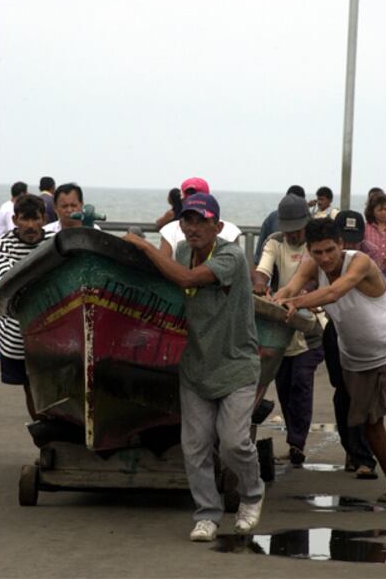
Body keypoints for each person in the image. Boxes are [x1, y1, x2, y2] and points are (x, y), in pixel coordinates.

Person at [124, 193, 264, 541]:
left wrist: (143, 246)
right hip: (196, 367)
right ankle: (207, 514)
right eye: (188, 220)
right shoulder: (183, 253)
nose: (194, 227)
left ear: (217, 226)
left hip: (236, 366)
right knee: (195, 447)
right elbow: (162, 277)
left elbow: (186, 281)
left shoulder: (230, 255)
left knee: (233, 443)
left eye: (202, 221)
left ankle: (252, 496)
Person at [274, 217, 386, 503]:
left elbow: (334, 292)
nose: (325, 258)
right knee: (371, 422)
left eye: (330, 250)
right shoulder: (313, 265)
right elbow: (290, 288)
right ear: (309, 250)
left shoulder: (359, 263)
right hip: (355, 358)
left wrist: (296, 303)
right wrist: (277, 300)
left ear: (341, 244)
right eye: (318, 252)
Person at [253, 194, 324, 467]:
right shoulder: (274, 242)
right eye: (289, 228)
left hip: (311, 324)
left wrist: (304, 295)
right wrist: (260, 284)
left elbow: (317, 280)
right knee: (283, 384)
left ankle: (298, 442)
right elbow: (262, 270)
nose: (293, 234)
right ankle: (295, 440)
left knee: (301, 384)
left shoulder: (315, 246)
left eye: (298, 228)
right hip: (281, 321)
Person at [323, 210, 379, 478]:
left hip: (369, 335)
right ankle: (352, 449)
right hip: (337, 330)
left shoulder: (367, 256)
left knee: (366, 397)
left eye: (355, 239)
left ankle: (364, 456)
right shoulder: (322, 258)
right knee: (342, 392)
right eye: (346, 239)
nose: (351, 245)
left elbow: (338, 292)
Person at [0, 194, 54, 419]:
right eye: (24, 219)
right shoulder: (4, 244)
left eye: (35, 219)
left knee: (53, 388)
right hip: (16, 335)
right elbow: (8, 281)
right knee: (31, 389)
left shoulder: (55, 241)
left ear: (44, 218)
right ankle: (45, 441)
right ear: (15, 219)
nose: (30, 226)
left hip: (51, 333)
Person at [159, 177, 241, 258]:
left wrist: (147, 247)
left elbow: (161, 264)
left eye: (202, 221)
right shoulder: (230, 230)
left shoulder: (170, 230)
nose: (193, 229)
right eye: (189, 220)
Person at [253, 185, 306, 266]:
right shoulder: (273, 238)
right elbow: (260, 254)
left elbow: (258, 255)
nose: (293, 234)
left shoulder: (272, 218)